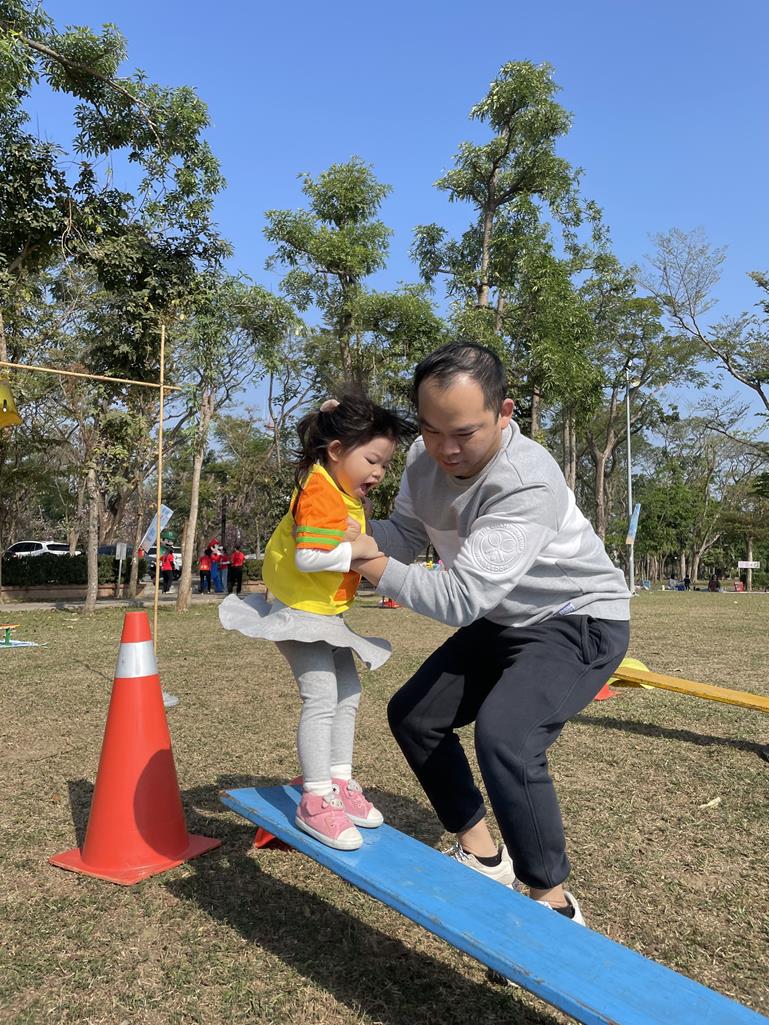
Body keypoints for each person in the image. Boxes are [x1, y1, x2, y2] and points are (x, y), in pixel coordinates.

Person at [352, 342, 630, 925]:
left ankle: (553, 902)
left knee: (507, 738)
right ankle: (483, 855)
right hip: (504, 618)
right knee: (415, 716)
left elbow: (460, 598)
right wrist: (339, 532)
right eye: (431, 431)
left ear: (504, 413)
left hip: (578, 618)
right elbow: (405, 535)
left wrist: (367, 563)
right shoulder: (423, 461)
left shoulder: (526, 481)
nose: (446, 450)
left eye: (464, 433)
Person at [220, 392, 414, 851]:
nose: (378, 473)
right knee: (322, 694)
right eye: (372, 460)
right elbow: (308, 557)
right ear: (337, 450)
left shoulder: (343, 493)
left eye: (385, 465)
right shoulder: (319, 489)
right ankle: (315, 798)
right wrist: (361, 550)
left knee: (349, 691)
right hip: (298, 614)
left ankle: (340, 783)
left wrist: (361, 542)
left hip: (325, 614)